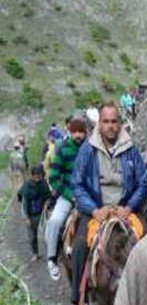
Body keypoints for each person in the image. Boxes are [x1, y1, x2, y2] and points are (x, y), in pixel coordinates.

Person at [70, 102, 147, 305]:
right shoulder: (88, 149)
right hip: (98, 210)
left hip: (125, 209)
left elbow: (143, 183)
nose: (110, 126)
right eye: (106, 121)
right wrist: (94, 209)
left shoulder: (131, 149)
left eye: (114, 121)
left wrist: (130, 206)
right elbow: (77, 184)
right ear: (99, 124)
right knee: (79, 246)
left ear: (120, 123)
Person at [45, 118, 87, 281]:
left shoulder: (90, 148)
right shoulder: (62, 149)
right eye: (75, 131)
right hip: (68, 194)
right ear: (70, 132)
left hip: (87, 194)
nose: (78, 135)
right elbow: (54, 178)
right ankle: (52, 259)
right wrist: (71, 195)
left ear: (85, 132)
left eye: (81, 132)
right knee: (55, 221)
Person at [18, 165, 51, 260]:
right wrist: (26, 218)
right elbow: (24, 204)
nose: (37, 178)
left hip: (41, 214)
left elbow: (48, 195)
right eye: (36, 176)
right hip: (31, 215)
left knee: (46, 234)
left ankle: (50, 254)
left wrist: (46, 202)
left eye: (39, 176)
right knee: (32, 236)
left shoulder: (43, 184)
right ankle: (35, 253)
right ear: (32, 176)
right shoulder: (27, 186)